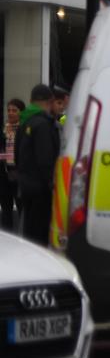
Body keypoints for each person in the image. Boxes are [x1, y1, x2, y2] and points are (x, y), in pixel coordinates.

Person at [15, 84, 61, 245]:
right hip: (41, 190)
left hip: (27, 186)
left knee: (29, 230)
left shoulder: (25, 121)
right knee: (39, 235)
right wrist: (53, 185)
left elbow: (17, 155)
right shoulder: (43, 124)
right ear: (50, 101)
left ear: (31, 101)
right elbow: (46, 160)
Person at [0, 97, 22, 232]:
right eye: (9, 110)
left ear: (21, 112)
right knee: (6, 210)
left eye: (14, 110)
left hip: (20, 175)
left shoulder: (24, 129)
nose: (11, 113)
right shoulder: (3, 130)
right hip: (4, 175)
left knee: (22, 208)